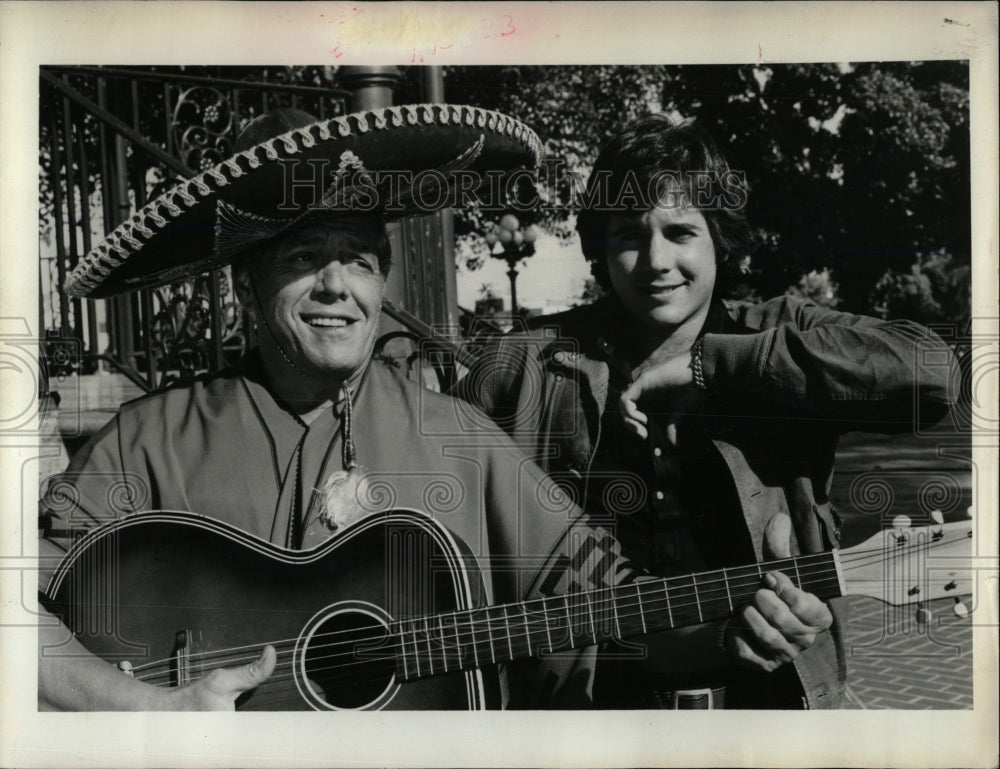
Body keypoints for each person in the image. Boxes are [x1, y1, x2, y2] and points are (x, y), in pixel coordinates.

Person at [36, 105, 625, 710]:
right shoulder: (150, 440)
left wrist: (722, 621)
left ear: (382, 282)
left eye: (360, 262)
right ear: (247, 285)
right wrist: (152, 710)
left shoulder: (462, 442)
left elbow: (616, 606)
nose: (336, 286)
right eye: (303, 257)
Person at [452, 113, 957, 708]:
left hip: (773, 697)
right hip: (588, 709)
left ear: (719, 238)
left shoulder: (778, 330)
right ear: (600, 248)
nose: (656, 261)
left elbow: (933, 374)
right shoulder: (531, 361)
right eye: (630, 236)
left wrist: (711, 367)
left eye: (681, 232)